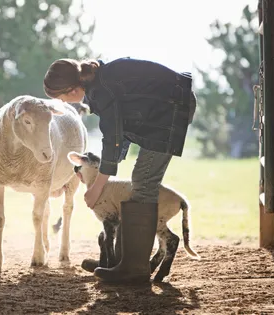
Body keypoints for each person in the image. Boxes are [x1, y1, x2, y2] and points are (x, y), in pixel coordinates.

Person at [43, 57, 196, 284]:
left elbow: (113, 137)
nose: (64, 103)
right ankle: (120, 262)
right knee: (141, 180)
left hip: (171, 109)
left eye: (61, 97)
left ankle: (133, 269)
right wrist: (110, 163)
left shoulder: (101, 91)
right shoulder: (98, 83)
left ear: (73, 89)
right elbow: (121, 130)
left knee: (143, 181)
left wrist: (97, 187)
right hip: (165, 107)